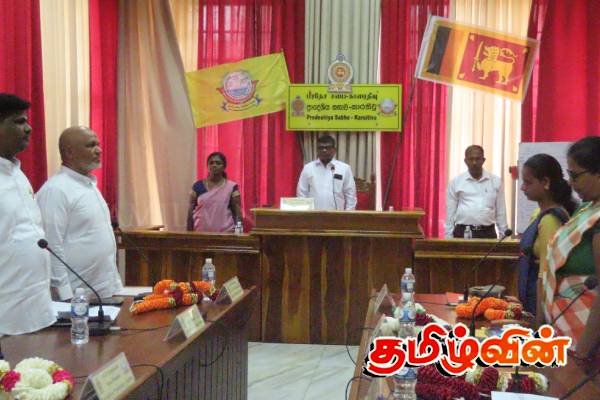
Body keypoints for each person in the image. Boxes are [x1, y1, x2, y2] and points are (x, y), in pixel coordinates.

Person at [36, 126, 123, 301]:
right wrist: (65, 295)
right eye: (91, 145)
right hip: (76, 298)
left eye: (98, 144)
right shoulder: (56, 190)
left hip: (103, 291)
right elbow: (51, 246)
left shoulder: (89, 185)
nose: (98, 150)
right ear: (69, 152)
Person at [0, 93, 55, 334]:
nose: (29, 128)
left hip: (36, 305)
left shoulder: (17, 173)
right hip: (6, 309)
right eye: (19, 121)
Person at [542, 137, 600, 358]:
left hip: (587, 336)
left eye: (575, 176)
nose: (571, 183)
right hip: (564, 320)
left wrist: (582, 353)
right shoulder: (586, 207)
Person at [518, 154, 576, 316]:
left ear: (545, 182)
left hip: (542, 304)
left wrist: (540, 321)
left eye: (528, 182)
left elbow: (545, 276)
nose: (522, 187)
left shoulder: (550, 220)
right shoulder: (538, 213)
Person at [444, 145, 509, 238]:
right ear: (465, 161)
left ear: (483, 160)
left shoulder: (495, 181)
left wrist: (504, 238)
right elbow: (450, 213)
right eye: (471, 159)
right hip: (462, 232)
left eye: (477, 159)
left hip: (487, 232)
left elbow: (501, 212)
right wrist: (448, 238)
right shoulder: (456, 182)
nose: (474, 162)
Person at [296, 135, 357, 210]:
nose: (324, 150)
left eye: (327, 147)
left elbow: (350, 195)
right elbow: (301, 193)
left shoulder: (344, 168)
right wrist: (304, 214)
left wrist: (348, 215)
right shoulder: (308, 168)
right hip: (313, 214)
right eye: (321, 148)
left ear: (334, 150)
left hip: (337, 215)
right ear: (317, 150)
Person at [187, 152, 242, 232]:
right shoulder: (197, 186)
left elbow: (237, 214)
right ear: (207, 166)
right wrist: (188, 234)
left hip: (225, 235)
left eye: (218, 163)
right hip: (200, 235)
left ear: (224, 167)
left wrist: (239, 234)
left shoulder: (232, 187)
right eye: (211, 163)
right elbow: (190, 212)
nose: (214, 165)